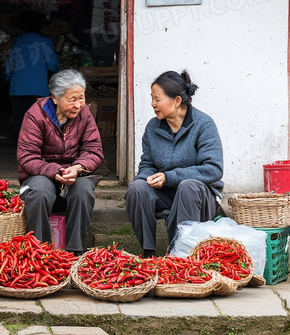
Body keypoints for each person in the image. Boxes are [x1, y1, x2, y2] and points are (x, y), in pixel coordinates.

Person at [125, 70, 223, 258]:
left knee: (187, 186)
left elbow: (213, 169)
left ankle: (181, 253)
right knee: (137, 188)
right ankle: (148, 253)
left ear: (177, 101)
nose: (153, 104)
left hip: (200, 196)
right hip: (167, 193)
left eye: (157, 99)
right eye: (152, 98)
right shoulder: (153, 127)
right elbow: (147, 164)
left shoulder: (203, 124)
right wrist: (146, 178)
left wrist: (170, 177)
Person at [17, 69, 104, 255]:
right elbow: (27, 156)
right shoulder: (35, 115)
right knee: (39, 192)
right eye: (72, 99)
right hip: (41, 173)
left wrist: (78, 167)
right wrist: (55, 171)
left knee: (82, 190)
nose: (78, 105)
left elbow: (94, 150)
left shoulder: (85, 114)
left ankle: (75, 252)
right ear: (55, 98)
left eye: (81, 98)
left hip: (74, 171)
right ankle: (41, 253)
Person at [5, 29, 60, 143]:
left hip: (18, 88)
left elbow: (10, 65)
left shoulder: (18, 42)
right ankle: (35, 141)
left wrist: (7, 78)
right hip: (39, 88)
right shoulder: (45, 42)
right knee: (38, 117)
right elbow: (52, 65)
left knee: (18, 116)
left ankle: (18, 141)